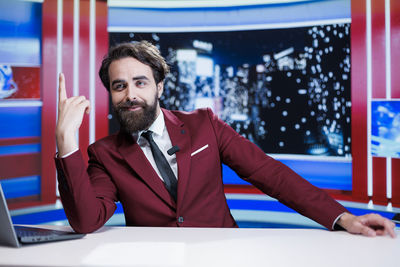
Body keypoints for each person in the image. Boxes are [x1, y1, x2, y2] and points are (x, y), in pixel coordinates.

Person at [55, 41, 396, 237]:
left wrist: (343, 218)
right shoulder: (104, 154)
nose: (131, 94)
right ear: (111, 94)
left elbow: (269, 173)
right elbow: (87, 220)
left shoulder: (205, 124)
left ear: (159, 87)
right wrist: (66, 141)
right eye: (119, 86)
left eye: (140, 82)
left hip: (225, 254)